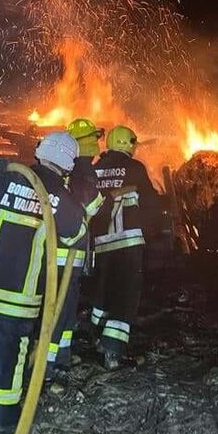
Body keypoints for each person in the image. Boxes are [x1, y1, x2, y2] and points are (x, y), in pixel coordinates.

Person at [0, 131, 86, 434]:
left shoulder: (9, 178)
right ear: (69, 164)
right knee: (10, 358)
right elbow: (76, 236)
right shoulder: (60, 197)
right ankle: (3, 423)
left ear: (39, 150)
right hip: (17, 298)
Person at [89, 125, 158, 369]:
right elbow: (151, 203)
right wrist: (152, 232)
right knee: (126, 296)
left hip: (101, 245)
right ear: (128, 143)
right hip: (128, 243)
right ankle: (113, 352)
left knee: (104, 290)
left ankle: (97, 336)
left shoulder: (95, 170)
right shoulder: (135, 168)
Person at [42, 118, 106, 375]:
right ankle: (47, 367)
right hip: (64, 255)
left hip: (64, 256)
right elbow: (93, 206)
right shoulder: (81, 170)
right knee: (59, 311)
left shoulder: (63, 171)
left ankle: (62, 357)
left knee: (66, 310)